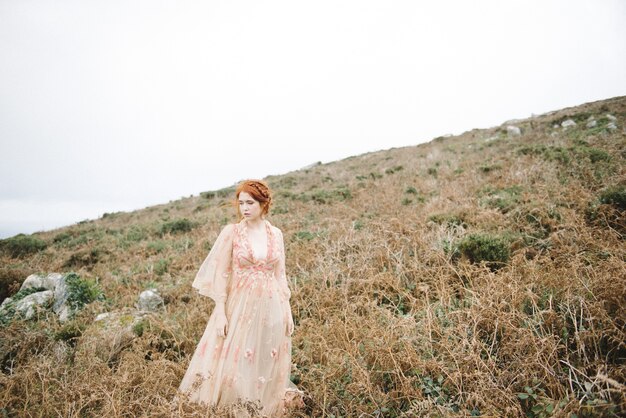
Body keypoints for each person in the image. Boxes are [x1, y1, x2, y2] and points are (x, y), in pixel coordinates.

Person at [177, 179, 302, 416]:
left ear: (263, 204)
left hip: (271, 305)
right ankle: (234, 410)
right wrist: (220, 311)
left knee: (266, 358)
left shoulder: (276, 234)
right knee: (236, 360)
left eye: (250, 203)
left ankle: (261, 408)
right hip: (239, 307)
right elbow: (222, 274)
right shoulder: (232, 233)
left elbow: (280, 275)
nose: (244, 208)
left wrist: (287, 311)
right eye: (241, 203)